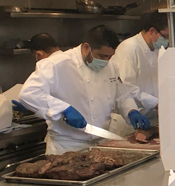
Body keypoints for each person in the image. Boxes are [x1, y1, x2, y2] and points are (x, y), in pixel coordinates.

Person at [19, 25, 150, 155]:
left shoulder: (111, 68)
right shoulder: (56, 64)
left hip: (100, 145)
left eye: (109, 57)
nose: (106, 61)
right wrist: (63, 109)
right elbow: (28, 93)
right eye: (102, 56)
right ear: (86, 47)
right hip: (67, 147)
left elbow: (121, 96)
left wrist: (131, 110)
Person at [109, 11, 167, 123]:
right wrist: (156, 103)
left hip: (151, 115)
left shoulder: (157, 50)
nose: (167, 41)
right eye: (165, 36)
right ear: (152, 31)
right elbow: (126, 88)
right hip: (130, 119)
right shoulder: (129, 48)